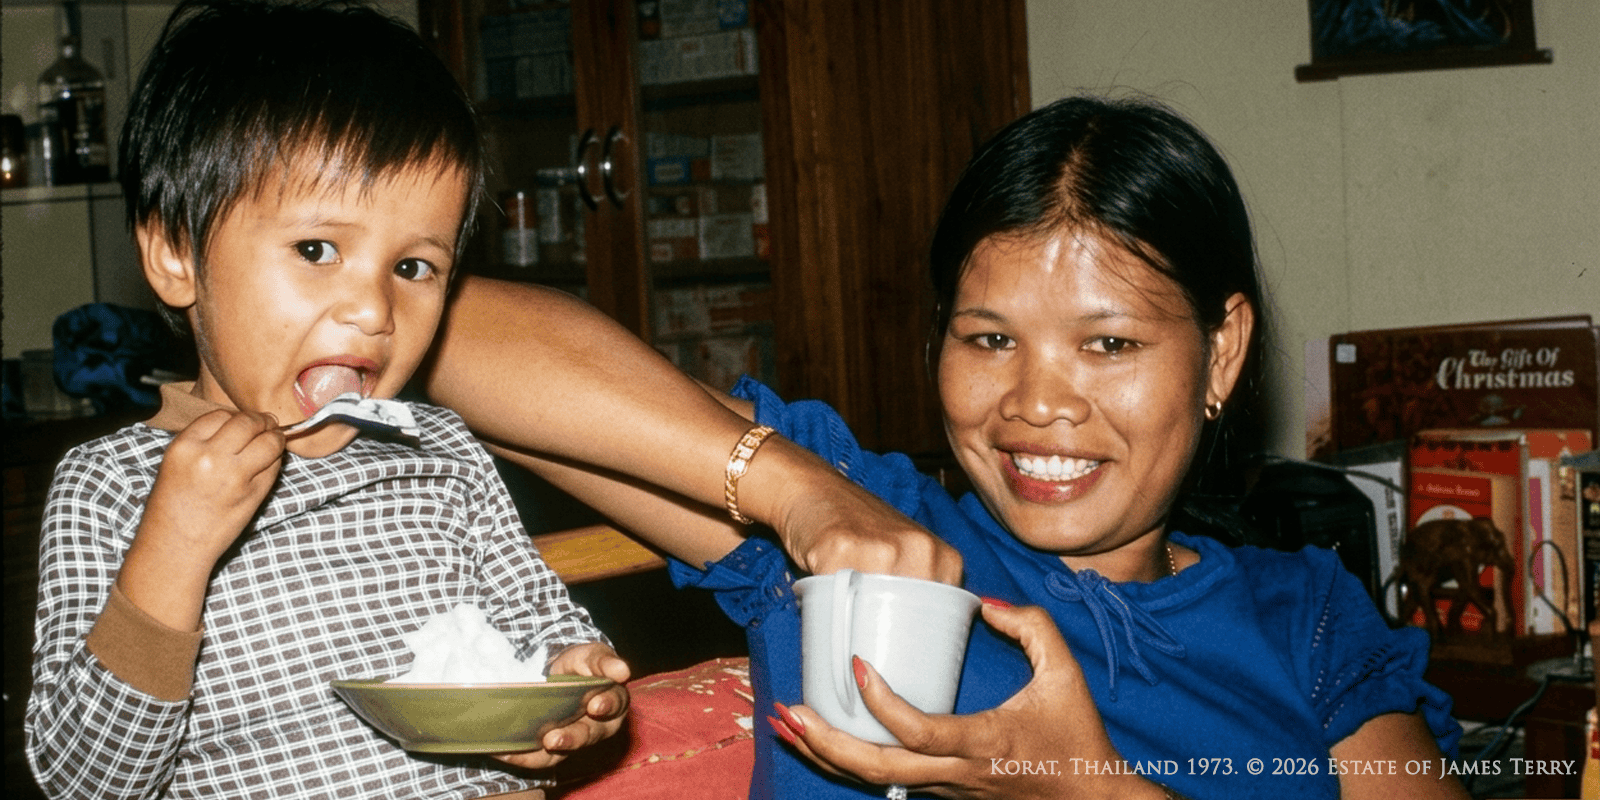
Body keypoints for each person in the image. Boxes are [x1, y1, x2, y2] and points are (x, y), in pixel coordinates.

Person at [427, 94, 1467, 799]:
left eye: (1108, 342)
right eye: (987, 339)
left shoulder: (1309, 620)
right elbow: (438, 329)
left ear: (1222, 351)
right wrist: (790, 487)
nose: (1037, 402)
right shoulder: (871, 550)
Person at [24, 2, 627, 798]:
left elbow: (537, 624)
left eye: (415, 267)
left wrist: (573, 684)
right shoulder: (109, 487)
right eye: (317, 250)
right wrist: (170, 552)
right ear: (175, 254)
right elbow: (85, 780)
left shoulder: (441, 454)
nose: (375, 310)